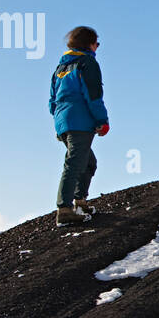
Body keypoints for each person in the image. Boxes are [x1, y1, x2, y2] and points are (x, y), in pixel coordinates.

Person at [49, 26, 109, 226]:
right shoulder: (87, 63)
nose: (97, 47)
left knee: (88, 162)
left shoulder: (60, 68)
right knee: (75, 162)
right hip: (80, 121)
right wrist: (102, 121)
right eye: (96, 43)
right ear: (88, 44)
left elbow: (52, 100)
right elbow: (93, 95)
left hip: (63, 122)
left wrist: (60, 119)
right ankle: (64, 209)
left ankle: (80, 202)